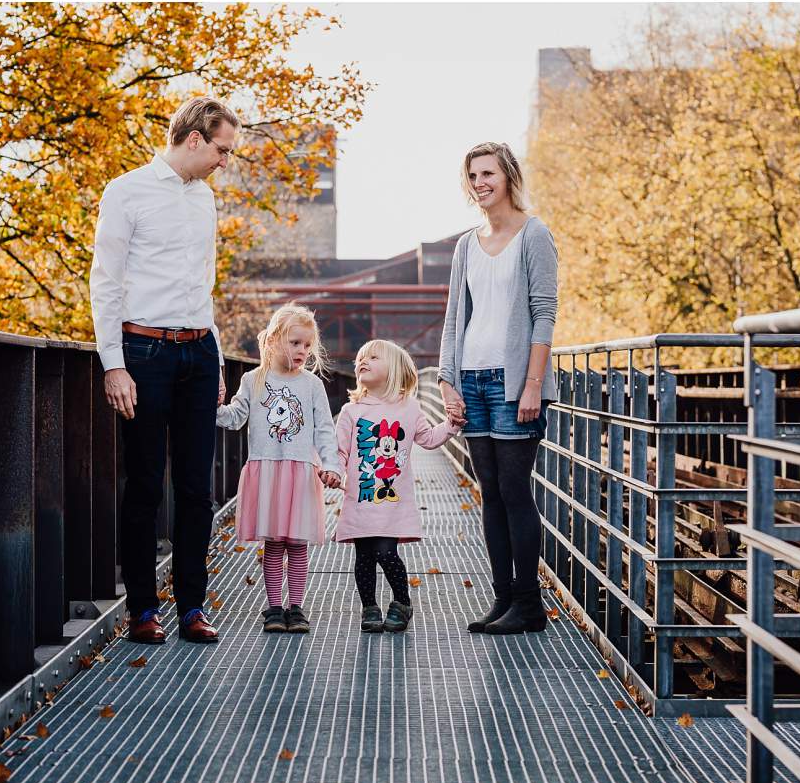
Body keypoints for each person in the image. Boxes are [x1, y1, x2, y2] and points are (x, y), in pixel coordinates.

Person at [89, 96, 239, 645]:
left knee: (197, 489)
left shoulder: (206, 202)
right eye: (222, 149)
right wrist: (114, 365)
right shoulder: (126, 191)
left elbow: (205, 284)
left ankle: (192, 607)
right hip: (144, 354)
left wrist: (217, 357)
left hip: (198, 353)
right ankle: (142, 612)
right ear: (194, 138)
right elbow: (105, 281)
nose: (225, 160)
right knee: (146, 484)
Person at [437, 141, 559, 635]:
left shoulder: (535, 235)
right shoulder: (467, 244)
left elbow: (544, 314)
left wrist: (533, 384)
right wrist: (447, 380)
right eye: (472, 176)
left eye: (487, 173)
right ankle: (503, 599)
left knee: (514, 489)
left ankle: (530, 606)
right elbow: (453, 318)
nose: (479, 183)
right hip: (473, 379)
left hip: (513, 384)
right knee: (490, 492)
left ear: (507, 176)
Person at [216, 304, 342, 634]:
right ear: (273, 340)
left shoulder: (312, 385)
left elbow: (325, 429)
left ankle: (296, 607)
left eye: (306, 345)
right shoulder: (252, 379)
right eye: (294, 342)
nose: (301, 351)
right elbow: (234, 418)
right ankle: (274, 607)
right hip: (267, 472)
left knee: (297, 544)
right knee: (273, 543)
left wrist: (331, 465)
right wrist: (214, 405)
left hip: (301, 472)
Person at [333, 339, 463, 633]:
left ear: (394, 370)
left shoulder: (409, 409)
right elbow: (339, 451)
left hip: (392, 501)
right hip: (360, 498)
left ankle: (401, 602)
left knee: (386, 553)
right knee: (363, 556)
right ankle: (369, 608)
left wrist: (452, 425)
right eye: (360, 358)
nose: (362, 361)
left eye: (373, 357)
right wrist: (332, 471)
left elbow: (429, 438)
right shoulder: (351, 411)